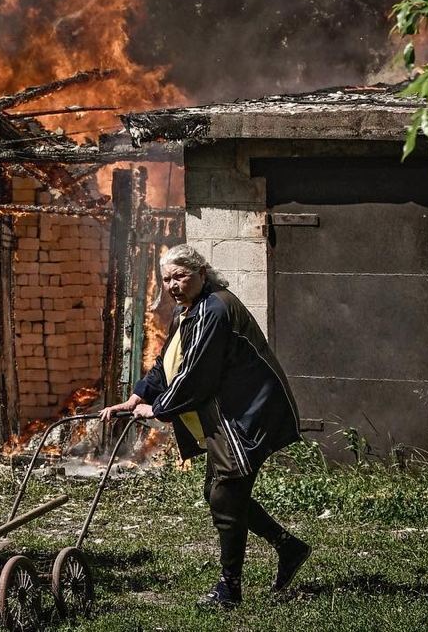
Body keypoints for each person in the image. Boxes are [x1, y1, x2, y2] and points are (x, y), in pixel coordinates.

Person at [100, 243, 310, 608]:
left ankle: (230, 589)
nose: (172, 285)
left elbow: (196, 373)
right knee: (220, 493)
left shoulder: (215, 309)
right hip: (227, 414)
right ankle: (288, 547)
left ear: (201, 272)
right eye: (166, 279)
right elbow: (168, 360)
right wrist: (138, 396)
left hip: (248, 412)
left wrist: (158, 409)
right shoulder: (190, 311)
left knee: (225, 493)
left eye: (180, 276)